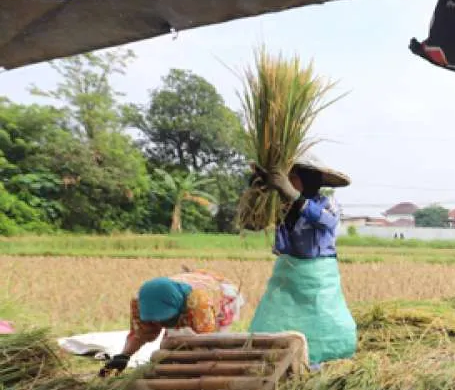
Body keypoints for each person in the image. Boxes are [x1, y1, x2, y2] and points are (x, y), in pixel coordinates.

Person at [248, 152, 357, 365]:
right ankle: (271, 357)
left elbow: (326, 222)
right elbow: (253, 223)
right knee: (273, 318)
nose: (289, 182)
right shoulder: (281, 207)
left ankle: (324, 357)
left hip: (317, 275)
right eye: (286, 178)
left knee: (323, 317)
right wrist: (259, 189)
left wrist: (295, 197)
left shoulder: (328, 203)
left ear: (308, 179)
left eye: (293, 178)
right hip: (288, 273)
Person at [100, 270, 246, 376]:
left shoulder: (199, 302)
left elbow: (208, 341)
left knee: (207, 351)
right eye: (156, 320)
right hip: (176, 298)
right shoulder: (139, 302)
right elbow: (140, 334)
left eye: (164, 319)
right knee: (172, 344)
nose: (160, 323)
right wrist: (124, 356)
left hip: (212, 294)